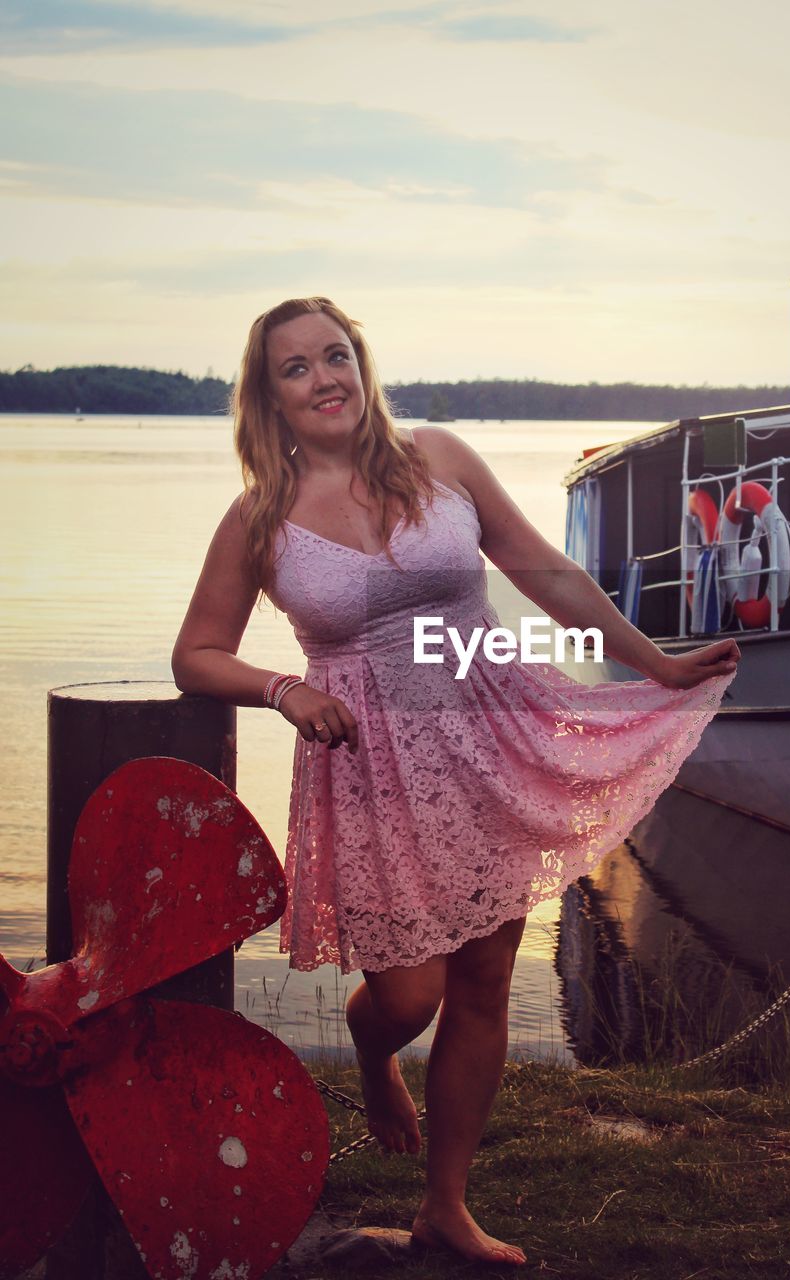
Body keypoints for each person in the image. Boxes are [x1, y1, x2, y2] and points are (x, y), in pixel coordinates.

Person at [172, 296, 740, 1266]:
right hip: (372, 766)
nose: (325, 378)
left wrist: (659, 665)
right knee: (408, 994)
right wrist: (283, 688)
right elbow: (195, 654)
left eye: (337, 355)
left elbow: (547, 574)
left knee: (482, 979)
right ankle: (371, 1045)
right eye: (296, 367)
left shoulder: (441, 458)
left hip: (488, 729)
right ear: (266, 397)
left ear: (364, 364)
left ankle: (447, 1203)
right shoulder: (260, 515)